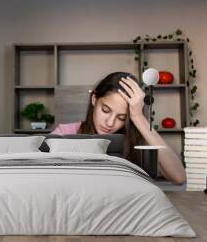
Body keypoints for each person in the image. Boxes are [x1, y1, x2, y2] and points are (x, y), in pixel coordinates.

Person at [52, 72, 186, 185]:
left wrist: (138, 117)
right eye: (105, 110)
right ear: (94, 99)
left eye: (122, 118)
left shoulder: (138, 139)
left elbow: (178, 178)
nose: (110, 123)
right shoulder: (66, 132)